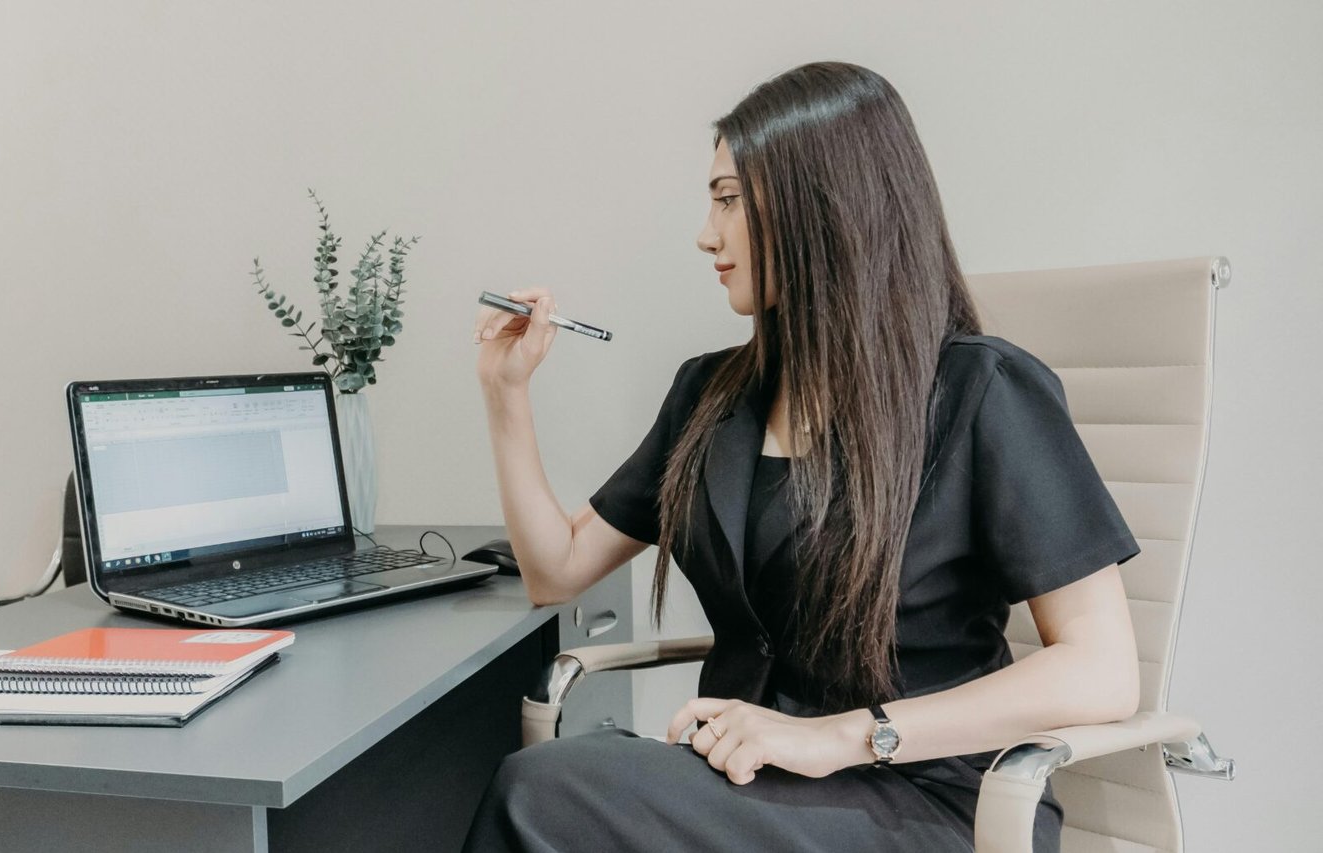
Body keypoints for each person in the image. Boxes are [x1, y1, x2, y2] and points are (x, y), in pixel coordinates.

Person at [462, 61, 1142, 852]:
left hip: (925, 801)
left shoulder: (982, 391)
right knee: (558, 789)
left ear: (821, 207)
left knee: (543, 789)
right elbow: (559, 567)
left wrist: (845, 736)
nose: (705, 234)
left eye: (728, 200)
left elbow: (1102, 668)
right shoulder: (712, 396)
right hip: (754, 788)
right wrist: (506, 396)